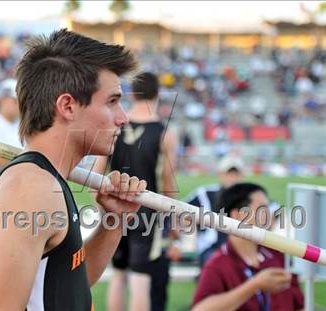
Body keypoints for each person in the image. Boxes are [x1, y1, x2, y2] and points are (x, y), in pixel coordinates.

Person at [0, 29, 148, 311]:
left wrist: (114, 221)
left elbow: (67, 288)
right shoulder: (31, 189)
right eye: (112, 102)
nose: (123, 118)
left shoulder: (47, 181)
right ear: (68, 106)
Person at [93, 72, 179, 311]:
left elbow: (97, 173)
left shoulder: (113, 125)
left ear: (131, 93)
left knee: (118, 275)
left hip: (113, 209)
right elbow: (168, 181)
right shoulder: (165, 133)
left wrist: (101, 208)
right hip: (146, 212)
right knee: (140, 278)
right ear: (157, 93)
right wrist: (172, 219)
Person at [192, 183, 304, 311]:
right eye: (262, 209)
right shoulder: (217, 264)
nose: (269, 214)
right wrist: (254, 285)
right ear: (238, 215)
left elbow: (299, 304)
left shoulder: (278, 255)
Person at [186, 155, 244, 267]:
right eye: (229, 174)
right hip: (212, 248)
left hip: (240, 250)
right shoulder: (205, 194)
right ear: (220, 175)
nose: (232, 178)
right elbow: (179, 213)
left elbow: (272, 212)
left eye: (236, 174)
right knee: (220, 263)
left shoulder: (250, 197)